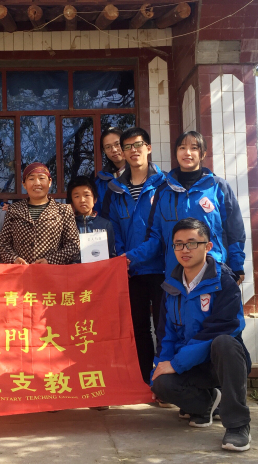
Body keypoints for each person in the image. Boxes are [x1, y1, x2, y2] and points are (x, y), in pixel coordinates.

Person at [125, 131, 246, 359]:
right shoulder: (163, 191)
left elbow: (235, 231)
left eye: (194, 148)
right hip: (177, 279)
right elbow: (155, 238)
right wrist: (128, 259)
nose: (187, 153)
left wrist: (237, 266)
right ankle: (177, 374)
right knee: (175, 333)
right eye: (182, 147)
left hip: (214, 276)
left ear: (203, 153)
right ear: (176, 153)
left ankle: (218, 376)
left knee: (218, 333)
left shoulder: (218, 187)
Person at [151, 218, 252, 452]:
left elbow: (225, 327)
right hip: (190, 367)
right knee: (160, 383)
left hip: (221, 364)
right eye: (178, 244)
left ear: (208, 246)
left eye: (192, 243)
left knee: (225, 342)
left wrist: (177, 363)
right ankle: (206, 404)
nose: (185, 250)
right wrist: (160, 367)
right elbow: (166, 336)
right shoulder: (171, 287)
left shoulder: (224, 282)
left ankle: (238, 425)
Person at [103, 127, 166, 383]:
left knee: (164, 328)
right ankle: (143, 382)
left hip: (161, 269)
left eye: (138, 145)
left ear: (148, 148)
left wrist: (128, 257)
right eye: (127, 146)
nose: (133, 150)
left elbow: (161, 233)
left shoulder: (164, 185)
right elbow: (112, 228)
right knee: (138, 329)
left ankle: (164, 382)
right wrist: (122, 258)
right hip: (129, 272)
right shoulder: (115, 189)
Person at [0, 162, 79, 265]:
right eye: (31, 179)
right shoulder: (14, 209)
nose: (37, 183)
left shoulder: (64, 210)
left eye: (41, 178)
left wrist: (50, 261)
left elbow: (73, 246)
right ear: (24, 184)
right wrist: (14, 259)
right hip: (21, 272)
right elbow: (3, 244)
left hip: (52, 272)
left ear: (49, 182)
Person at [67, 175, 116, 261]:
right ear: (71, 201)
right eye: (77, 196)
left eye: (87, 195)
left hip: (100, 269)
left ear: (95, 199)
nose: (82, 200)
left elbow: (112, 255)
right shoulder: (67, 225)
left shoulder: (105, 225)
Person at [95, 127, 127, 217]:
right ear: (104, 151)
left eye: (117, 144)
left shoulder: (138, 174)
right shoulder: (100, 181)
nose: (114, 150)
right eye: (108, 147)